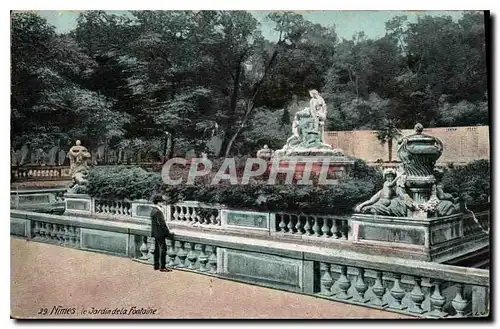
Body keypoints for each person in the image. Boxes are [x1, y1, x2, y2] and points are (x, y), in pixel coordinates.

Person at [150, 194, 172, 272]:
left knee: (156, 249)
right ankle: (162, 267)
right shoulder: (158, 211)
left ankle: (156, 265)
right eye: (161, 202)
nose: (162, 203)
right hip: (160, 233)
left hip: (155, 233)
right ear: (158, 202)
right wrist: (168, 233)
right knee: (163, 249)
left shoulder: (153, 210)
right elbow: (162, 224)